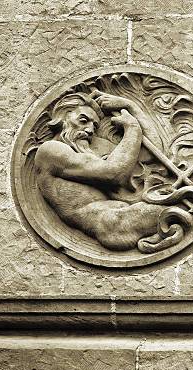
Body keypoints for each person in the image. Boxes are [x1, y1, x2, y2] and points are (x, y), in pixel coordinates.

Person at [35, 92, 166, 251]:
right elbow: (114, 173)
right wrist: (132, 128)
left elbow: (151, 155)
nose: (90, 130)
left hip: (120, 214)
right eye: (83, 120)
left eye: (95, 126)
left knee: (178, 209)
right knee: (176, 211)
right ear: (62, 118)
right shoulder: (51, 151)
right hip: (111, 223)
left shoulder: (89, 155)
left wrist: (131, 107)